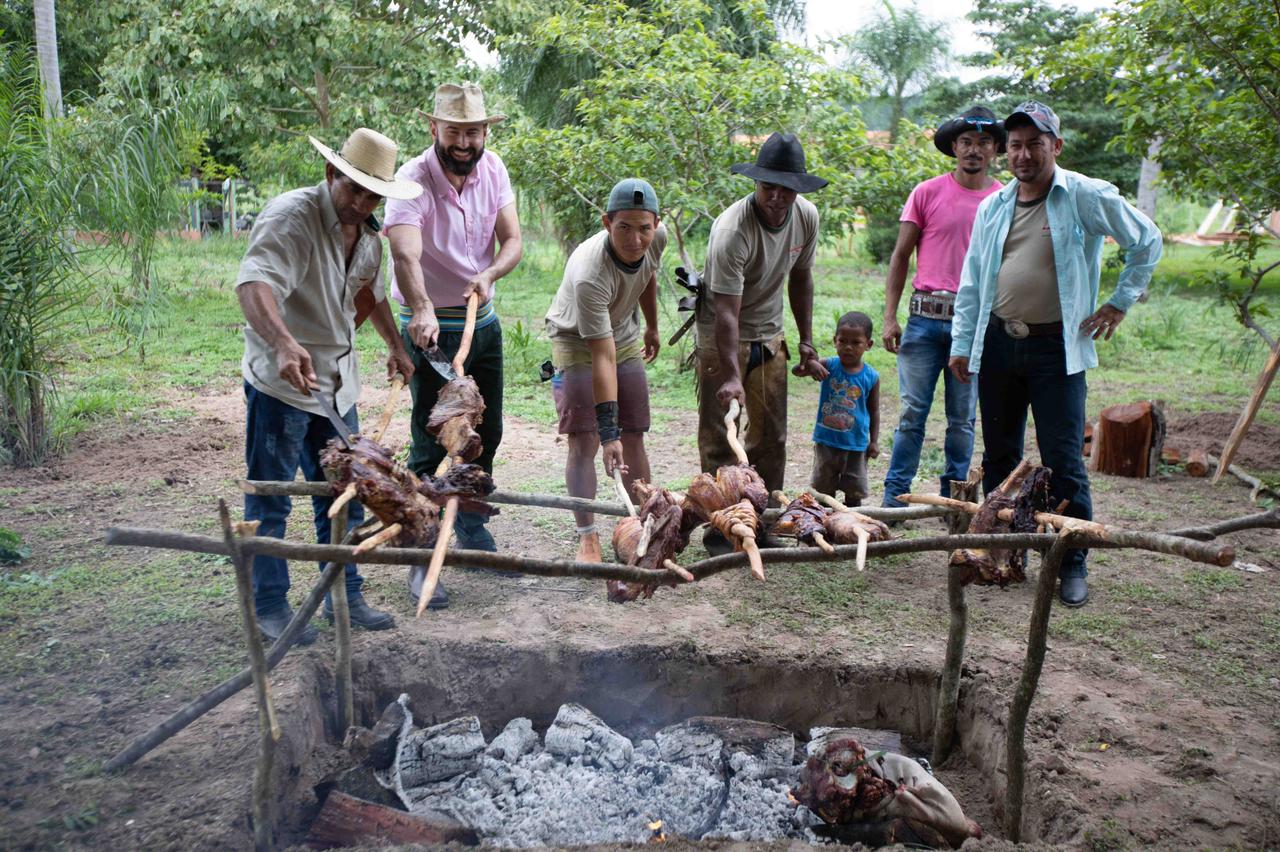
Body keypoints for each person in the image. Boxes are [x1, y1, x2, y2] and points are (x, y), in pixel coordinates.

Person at [948, 101, 1162, 607]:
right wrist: (962, 343)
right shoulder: (994, 206)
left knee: (1064, 458)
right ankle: (998, 550)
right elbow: (974, 281)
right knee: (999, 454)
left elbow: (1146, 240)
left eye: (1034, 144)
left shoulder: (1084, 195)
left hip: (1055, 348)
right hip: (999, 342)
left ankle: (1072, 560)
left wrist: (1118, 302)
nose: (1023, 155)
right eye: (1016, 145)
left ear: (1055, 147)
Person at [237, 127, 421, 644]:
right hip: (282, 385)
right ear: (330, 174)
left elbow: (370, 294)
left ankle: (343, 591)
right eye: (353, 189)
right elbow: (254, 283)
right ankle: (269, 604)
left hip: (337, 388)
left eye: (372, 195)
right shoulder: (290, 218)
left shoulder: (368, 238)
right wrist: (281, 342)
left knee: (345, 493)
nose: (361, 203)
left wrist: (395, 345)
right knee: (272, 497)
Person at [386, 83, 523, 609]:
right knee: (432, 440)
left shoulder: (495, 169)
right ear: (434, 130)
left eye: (473, 131)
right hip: (428, 327)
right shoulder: (412, 179)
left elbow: (512, 239)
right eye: (454, 131)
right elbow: (404, 253)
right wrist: (421, 308)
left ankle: (467, 522)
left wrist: (490, 272)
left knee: (487, 429)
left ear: (486, 131)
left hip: (479, 321)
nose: (464, 142)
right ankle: (421, 555)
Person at [696, 132, 827, 552]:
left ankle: (764, 517)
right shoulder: (733, 230)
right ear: (755, 184)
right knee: (721, 433)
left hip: (770, 334)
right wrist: (732, 374)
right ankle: (723, 524)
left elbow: (801, 278)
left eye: (785, 189)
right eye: (767, 186)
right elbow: (727, 312)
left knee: (771, 435)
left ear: (797, 189)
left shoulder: (806, 216)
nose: (775, 196)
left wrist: (806, 342)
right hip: (722, 334)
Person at [881, 107, 1005, 508]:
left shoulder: (1004, 199)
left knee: (962, 420)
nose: (974, 150)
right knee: (912, 414)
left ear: (995, 150)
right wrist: (889, 316)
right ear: (954, 147)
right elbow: (901, 256)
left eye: (983, 143)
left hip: (973, 326)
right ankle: (895, 498)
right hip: (923, 320)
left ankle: (953, 500)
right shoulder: (926, 192)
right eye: (967, 142)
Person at [544, 179, 666, 562]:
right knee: (587, 441)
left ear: (656, 223)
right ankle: (587, 536)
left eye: (644, 228)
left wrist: (651, 325)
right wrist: (606, 431)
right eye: (624, 228)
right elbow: (602, 357)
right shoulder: (590, 273)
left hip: (624, 331)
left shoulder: (655, 239)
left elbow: (647, 273)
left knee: (635, 433)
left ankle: (638, 525)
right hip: (577, 341)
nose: (635, 239)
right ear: (606, 223)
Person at [801, 311, 880, 508]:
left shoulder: (871, 376)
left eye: (856, 343)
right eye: (843, 341)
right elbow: (798, 370)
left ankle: (851, 523)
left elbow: (874, 411)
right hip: (827, 442)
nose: (848, 347)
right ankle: (824, 523)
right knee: (822, 491)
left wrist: (874, 441)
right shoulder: (828, 366)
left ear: (868, 345)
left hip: (856, 445)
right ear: (834, 340)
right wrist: (810, 363)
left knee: (854, 492)